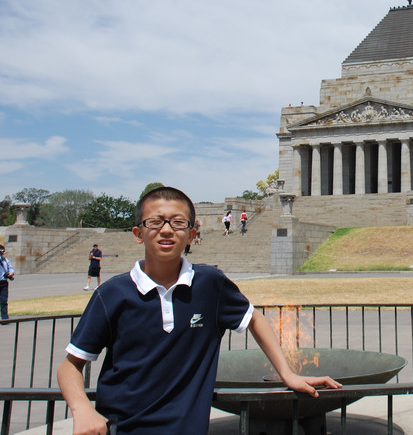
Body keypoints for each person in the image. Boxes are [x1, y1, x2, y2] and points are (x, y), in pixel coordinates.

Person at [57, 186, 341, 434]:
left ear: (192, 234)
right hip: (121, 427)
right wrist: (82, 409)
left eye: (178, 223)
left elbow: (253, 317)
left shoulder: (210, 285)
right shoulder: (111, 294)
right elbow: (71, 365)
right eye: (155, 222)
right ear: (138, 233)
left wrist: (287, 373)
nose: (166, 229)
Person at [0, 245, 15, 320]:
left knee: (4, 301)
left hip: (3, 283)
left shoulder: (5, 260)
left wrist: (11, 273)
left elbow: (11, 268)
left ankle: (5, 318)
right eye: (1, 251)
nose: (2, 253)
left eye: (3, 251)